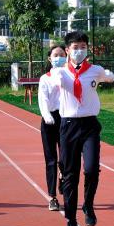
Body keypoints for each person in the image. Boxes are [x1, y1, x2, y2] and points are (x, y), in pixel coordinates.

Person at [48, 31, 114, 226]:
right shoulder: (60, 72)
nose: (79, 51)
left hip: (90, 125)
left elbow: (109, 77)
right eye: (75, 48)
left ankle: (88, 204)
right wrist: (57, 74)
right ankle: (71, 219)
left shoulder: (94, 70)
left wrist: (109, 75)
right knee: (70, 175)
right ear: (67, 50)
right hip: (68, 126)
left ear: (88, 49)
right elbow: (53, 84)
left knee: (92, 169)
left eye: (83, 47)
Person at [38, 45, 67, 212]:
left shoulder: (69, 76)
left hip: (66, 119)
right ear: (50, 58)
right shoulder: (45, 78)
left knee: (65, 158)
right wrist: (47, 115)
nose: (59, 58)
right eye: (56, 55)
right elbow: (43, 99)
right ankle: (52, 197)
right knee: (51, 160)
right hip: (49, 120)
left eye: (62, 55)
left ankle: (63, 177)